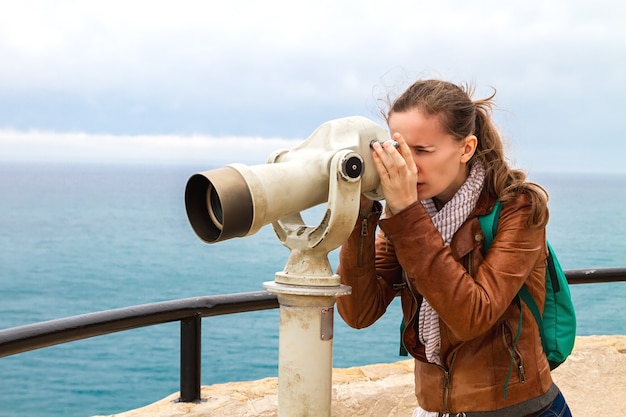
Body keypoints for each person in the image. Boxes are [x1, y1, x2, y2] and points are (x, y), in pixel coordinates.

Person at [336, 79, 572, 416]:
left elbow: (472, 317)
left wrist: (407, 216)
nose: (408, 164)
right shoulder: (408, 214)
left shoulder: (519, 209)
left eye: (422, 151)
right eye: (399, 150)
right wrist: (360, 214)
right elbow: (359, 312)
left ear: (466, 148)